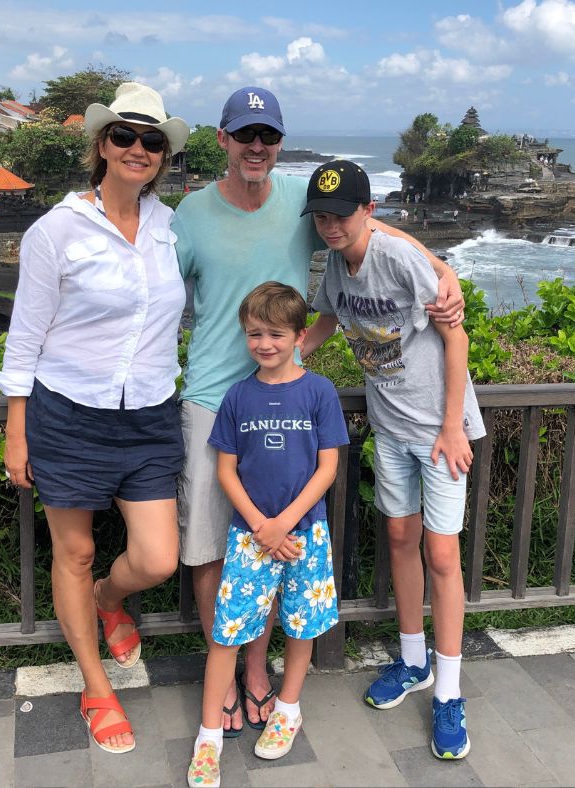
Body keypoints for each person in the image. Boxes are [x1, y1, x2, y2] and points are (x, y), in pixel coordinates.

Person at [172, 86, 467, 738]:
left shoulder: (302, 203)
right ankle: (220, 676)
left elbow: (363, 221)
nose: (257, 146)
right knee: (209, 552)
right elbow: (152, 289)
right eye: (244, 134)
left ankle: (256, 673)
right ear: (220, 138)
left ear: (277, 143)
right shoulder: (188, 214)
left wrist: (437, 263)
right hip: (210, 399)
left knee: (283, 544)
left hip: (287, 402)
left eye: (267, 136)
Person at [0, 82, 190, 754]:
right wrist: (17, 425)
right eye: (125, 136)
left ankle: (111, 600)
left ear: (163, 155)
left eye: (151, 140)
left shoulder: (169, 226)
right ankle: (96, 686)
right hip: (68, 414)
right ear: (101, 145)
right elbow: (26, 333)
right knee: (72, 552)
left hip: (150, 414)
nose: (138, 149)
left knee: (159, 557)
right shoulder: (57, 229)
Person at [301, 160, 486, 761]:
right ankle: (412, 661)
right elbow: (330, 316)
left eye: (342, 214)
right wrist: (291, 354)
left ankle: (450, 692)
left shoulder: (397, 256)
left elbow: (455, 335)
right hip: (389, 428)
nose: (331, 226)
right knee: (401, 541)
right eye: (322, 216)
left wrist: (454, 426)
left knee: (441, 554)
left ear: (367, 211)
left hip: (440, 436)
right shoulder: (335, 263)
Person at [185, 282, 348, 786]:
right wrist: (261, 526)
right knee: (226, 632)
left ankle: (289, 707)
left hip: (305, 532)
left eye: (276, 333)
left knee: (300, 625)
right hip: (249, 535)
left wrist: (283, 524)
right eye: (255, 333)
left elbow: (327, 467)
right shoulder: (238, 396)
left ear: (301, 336)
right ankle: (208, 737)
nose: (264, 343)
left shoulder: (318, 392)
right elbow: (226, 472)